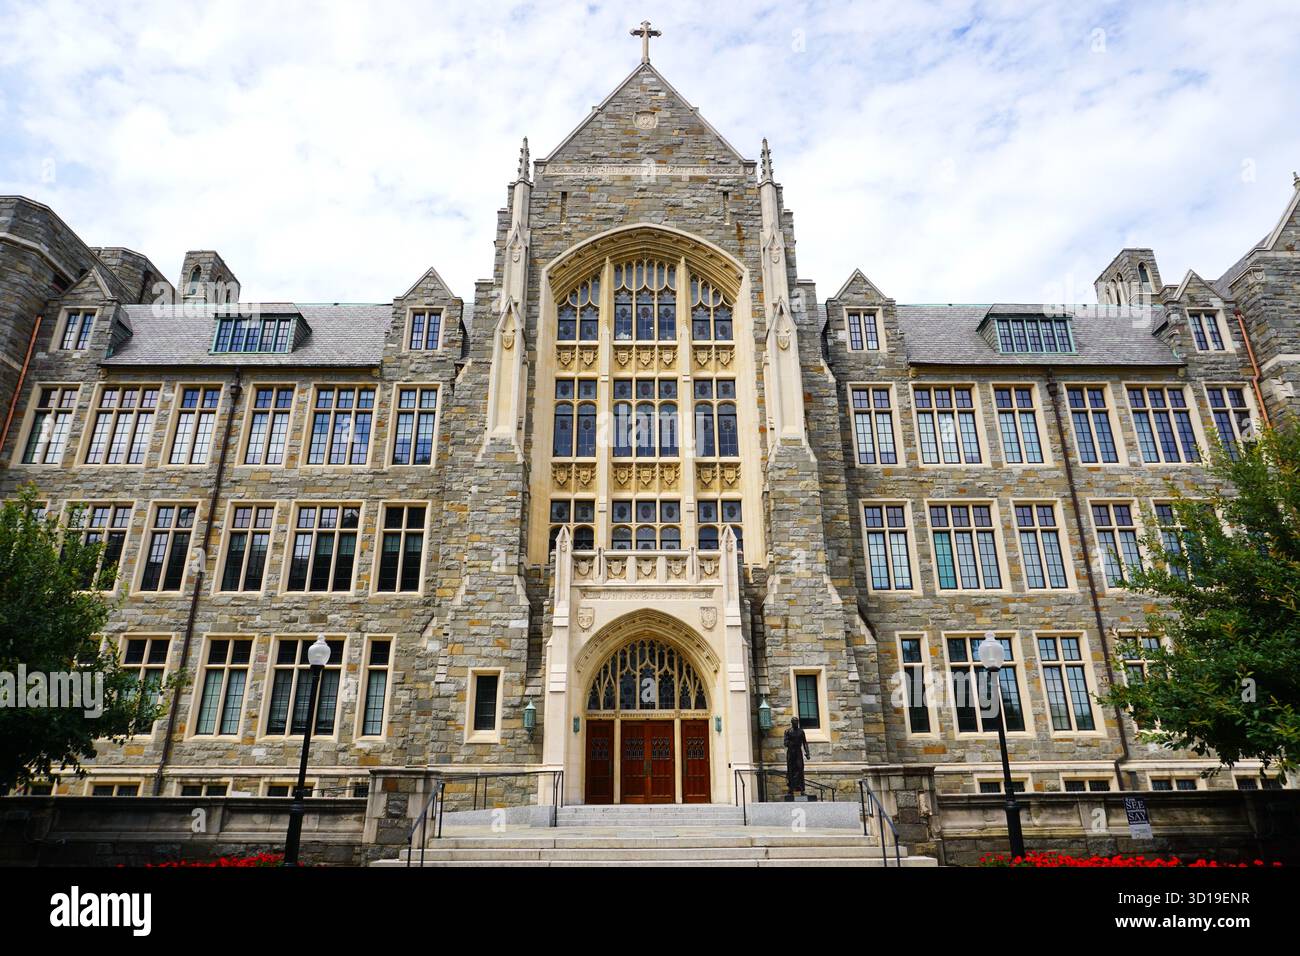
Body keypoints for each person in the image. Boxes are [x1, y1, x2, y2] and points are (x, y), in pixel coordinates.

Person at [783, 717, 810, 796]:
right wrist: (790, 743)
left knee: (800, 768)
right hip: (791, 752)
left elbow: (805, 742)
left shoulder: (801, 732)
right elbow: (785, 742)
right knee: (791, 770)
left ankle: (801, 789)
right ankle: (791, 789)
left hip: (798, 752)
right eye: (794, 722)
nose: (796, 723)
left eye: (797, 722)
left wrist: (807, 752)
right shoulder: (787, 731)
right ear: (792, 722)